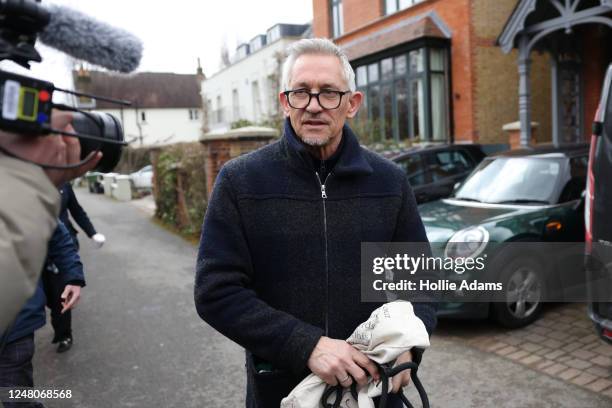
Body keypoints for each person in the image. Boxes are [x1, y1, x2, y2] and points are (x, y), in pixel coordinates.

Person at [194, 38, 437, 407]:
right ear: (284, 101)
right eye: (301, 92)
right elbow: (216, 292)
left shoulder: (389, 182)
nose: (313, 106)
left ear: (352, 104)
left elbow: (418, 282)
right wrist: (307, 345)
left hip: (373, 389)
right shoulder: (241, 181)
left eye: (328, 93)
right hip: (282, 392)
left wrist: (408, 347)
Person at [0, 111, 101, 333]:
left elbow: (72, 218)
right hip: (30, 274)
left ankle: (64, 334)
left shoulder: (61, 188)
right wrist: (34, 182)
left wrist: (74, 275)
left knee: (58, 297)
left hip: (18, 335)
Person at [0, 221, 85, 408]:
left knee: (16, 398)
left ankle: (64, 336)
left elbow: (56, 233)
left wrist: (73, 276)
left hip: (14, 324)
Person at [42, 183, 104, 352]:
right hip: (35, 252)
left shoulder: (63, 184)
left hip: (62, 248)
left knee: (59, 295)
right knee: (45, 295)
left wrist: (92, 232)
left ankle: (64, 335)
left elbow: (76, 210)